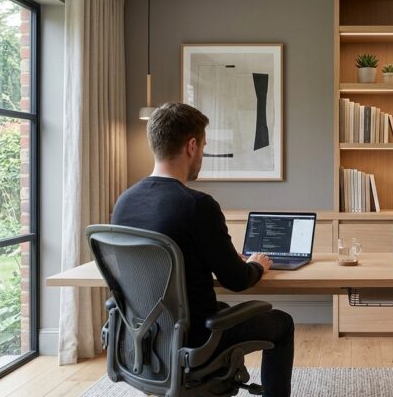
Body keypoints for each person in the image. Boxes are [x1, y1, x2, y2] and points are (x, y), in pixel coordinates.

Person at [111, 102, 293, 397]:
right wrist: (257, 264)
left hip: (146, 336)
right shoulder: (197, 205)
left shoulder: (124, 202)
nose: (203, 156)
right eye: (204, 147)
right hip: (198, 335)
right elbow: (237, 280)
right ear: (192, 146)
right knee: (281, 324)